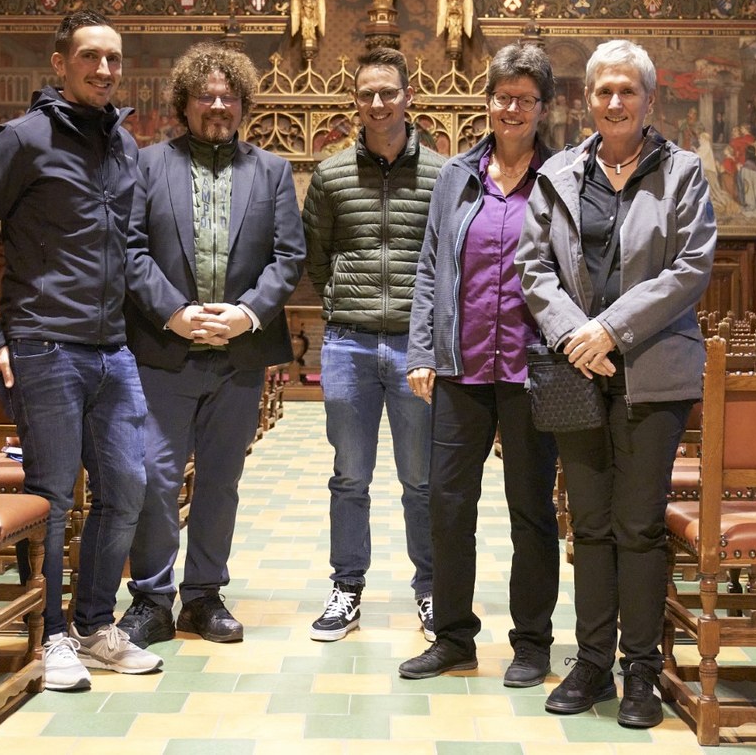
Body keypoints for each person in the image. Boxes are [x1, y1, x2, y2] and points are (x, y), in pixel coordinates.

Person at [0, 9, 161, 694]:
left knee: (127, 487)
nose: (103, 69)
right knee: (53, 497)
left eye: (114, 60)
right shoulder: (22, 141)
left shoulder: (122, 145)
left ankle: (95, 626)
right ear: (60, 62)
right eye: (90, 56)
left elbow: (127, 248)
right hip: (43, 345)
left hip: (111, 350)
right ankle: (52, 633)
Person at [515, 39, 716, 729]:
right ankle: (591, 662)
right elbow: (533, 268)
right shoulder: (559, 175)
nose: (613, 101)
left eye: (627, 90)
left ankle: (639, 671)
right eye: (602, 90)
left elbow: (689, 267)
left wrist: (611, 330)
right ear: (587, 99)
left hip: (653, 371)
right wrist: (577, 334)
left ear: (647, 98)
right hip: (576, 371)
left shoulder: (682, 172)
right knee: (589, 524)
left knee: (637, 526)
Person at [116, 43, 305, 648]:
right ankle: (150, 598)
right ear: (184, 103)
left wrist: (246, 314)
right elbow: (130, 250)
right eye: (205, 96)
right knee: (156, 477)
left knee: (221, 481)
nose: (217, 105)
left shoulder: (271, 172)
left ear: (244, 103)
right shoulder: (147, 164)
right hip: (163, 352)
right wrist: (174, 313)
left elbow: (289, 257)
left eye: (228, 96)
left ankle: (203, 596)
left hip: (238, 357)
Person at [399, 44, 560, 684]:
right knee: (447, 503)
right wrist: (421, 351)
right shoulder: (455, 178)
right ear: (486, 102)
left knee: (530, 509)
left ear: (542, 107)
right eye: (501, 96)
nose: (511, 107)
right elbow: (429, 268)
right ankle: (453, 637)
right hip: (461, 368)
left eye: (524, 98)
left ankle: (532, 643)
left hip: (532, 369)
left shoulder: (562, 177)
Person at [302, 47, 445, 642]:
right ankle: (346, 589)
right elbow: (316, 257)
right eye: (367, 94)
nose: (379, 103)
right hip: (350, 346)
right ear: (355, 102)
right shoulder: (332, 175)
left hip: (415, 349)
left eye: (389, 92)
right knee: (349, 477)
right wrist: (343, 304)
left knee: (420, 480)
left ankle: (433, 590)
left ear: (409, 97)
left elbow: (449, 264)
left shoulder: (443, 174)